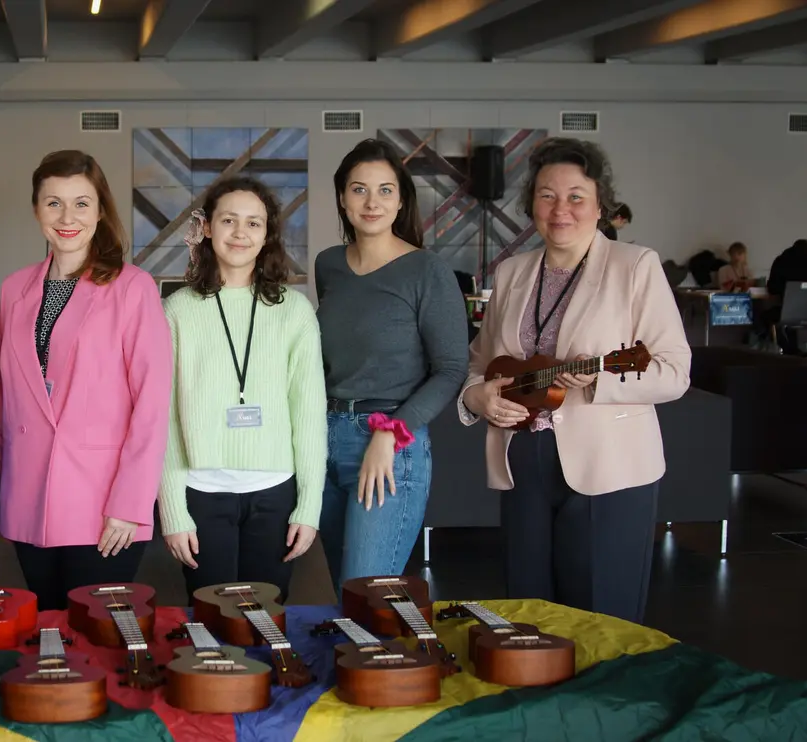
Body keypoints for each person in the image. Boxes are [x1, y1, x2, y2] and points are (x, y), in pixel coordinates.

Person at [458, 137, 691, 624]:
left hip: (609, 466)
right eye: (547, 195)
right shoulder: (512, 271)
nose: (560, 209)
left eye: (576, 196)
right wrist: (476, 396)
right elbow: (479, 360)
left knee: (602, 617)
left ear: (600, 205)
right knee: (529, 614)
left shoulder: (635, 266)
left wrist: (599, 381)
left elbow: (674, 372)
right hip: (522, 460)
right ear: (532, 205)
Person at [0, 150, 172, 611]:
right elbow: (6, 397)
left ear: (100, 211)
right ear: (37, 209)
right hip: (29, 494)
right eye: (53, 203)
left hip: (104, 504)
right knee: (47, 628)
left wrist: (131, 503)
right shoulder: (13, 290)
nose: (67, 217)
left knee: (97, 631)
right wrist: (4, 484)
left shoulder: (132, 287)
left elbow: (152, 404)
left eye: (81, 203)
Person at [157, 176, 327, 601]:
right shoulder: (175, 311)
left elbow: (309, 416)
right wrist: (173, 511)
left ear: (267, 234)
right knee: (210, 617)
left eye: (254, 223)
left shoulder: (294, 311)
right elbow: (164, 419)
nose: (240, 232)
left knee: (266, 617)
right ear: (207, 227)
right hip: (201, 492)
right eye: (228, 220)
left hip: (275, 493)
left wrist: (309, 508)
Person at [316, 139, 469, 587]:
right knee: (344, 596)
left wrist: (390, 433)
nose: (372, 202)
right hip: (324, 439)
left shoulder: (427, 271)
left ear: (401, 200)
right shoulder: (329, 265)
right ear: (342, 198)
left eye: (385, 190)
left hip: (389, 444)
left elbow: (450, 369)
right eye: (359, 189)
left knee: (365, 594)